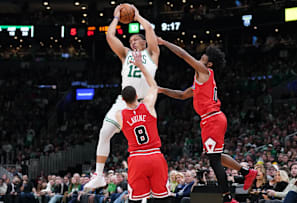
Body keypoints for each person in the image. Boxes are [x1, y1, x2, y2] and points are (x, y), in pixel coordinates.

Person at [157, 37, 257, 203]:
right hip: (210, 120)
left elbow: (183, 55)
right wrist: (161, 90)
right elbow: (182, 95)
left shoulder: (204, 72)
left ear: (209, 64)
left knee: (214, 160)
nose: (200, 58)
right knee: (216, 156)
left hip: (213, 119)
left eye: (203, 57)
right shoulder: (200, 81)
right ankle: (247, 173)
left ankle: (227, 198)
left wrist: (164, 42)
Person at [85, 3, 160, 190]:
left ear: (144, 42)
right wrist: (117, 17)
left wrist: (137, 15)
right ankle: (99, 175)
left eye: (136, 39)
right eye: (131, 40)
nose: (132, 42)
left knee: (146, 146)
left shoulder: (152, 54)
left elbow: (149, 28)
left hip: (144, 103)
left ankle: (157, 180)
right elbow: (110, 36)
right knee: (104, 133)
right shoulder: (125, 54)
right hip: (123, 103)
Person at [113, 50, 169, 202]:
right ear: (137, 96)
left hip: (137, 159)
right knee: (162, 197)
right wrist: (141, 66)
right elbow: (154, 86)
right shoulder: (148, 106)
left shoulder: (120, 114)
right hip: (155, 156)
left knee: (136, 199)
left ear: (123, 100)